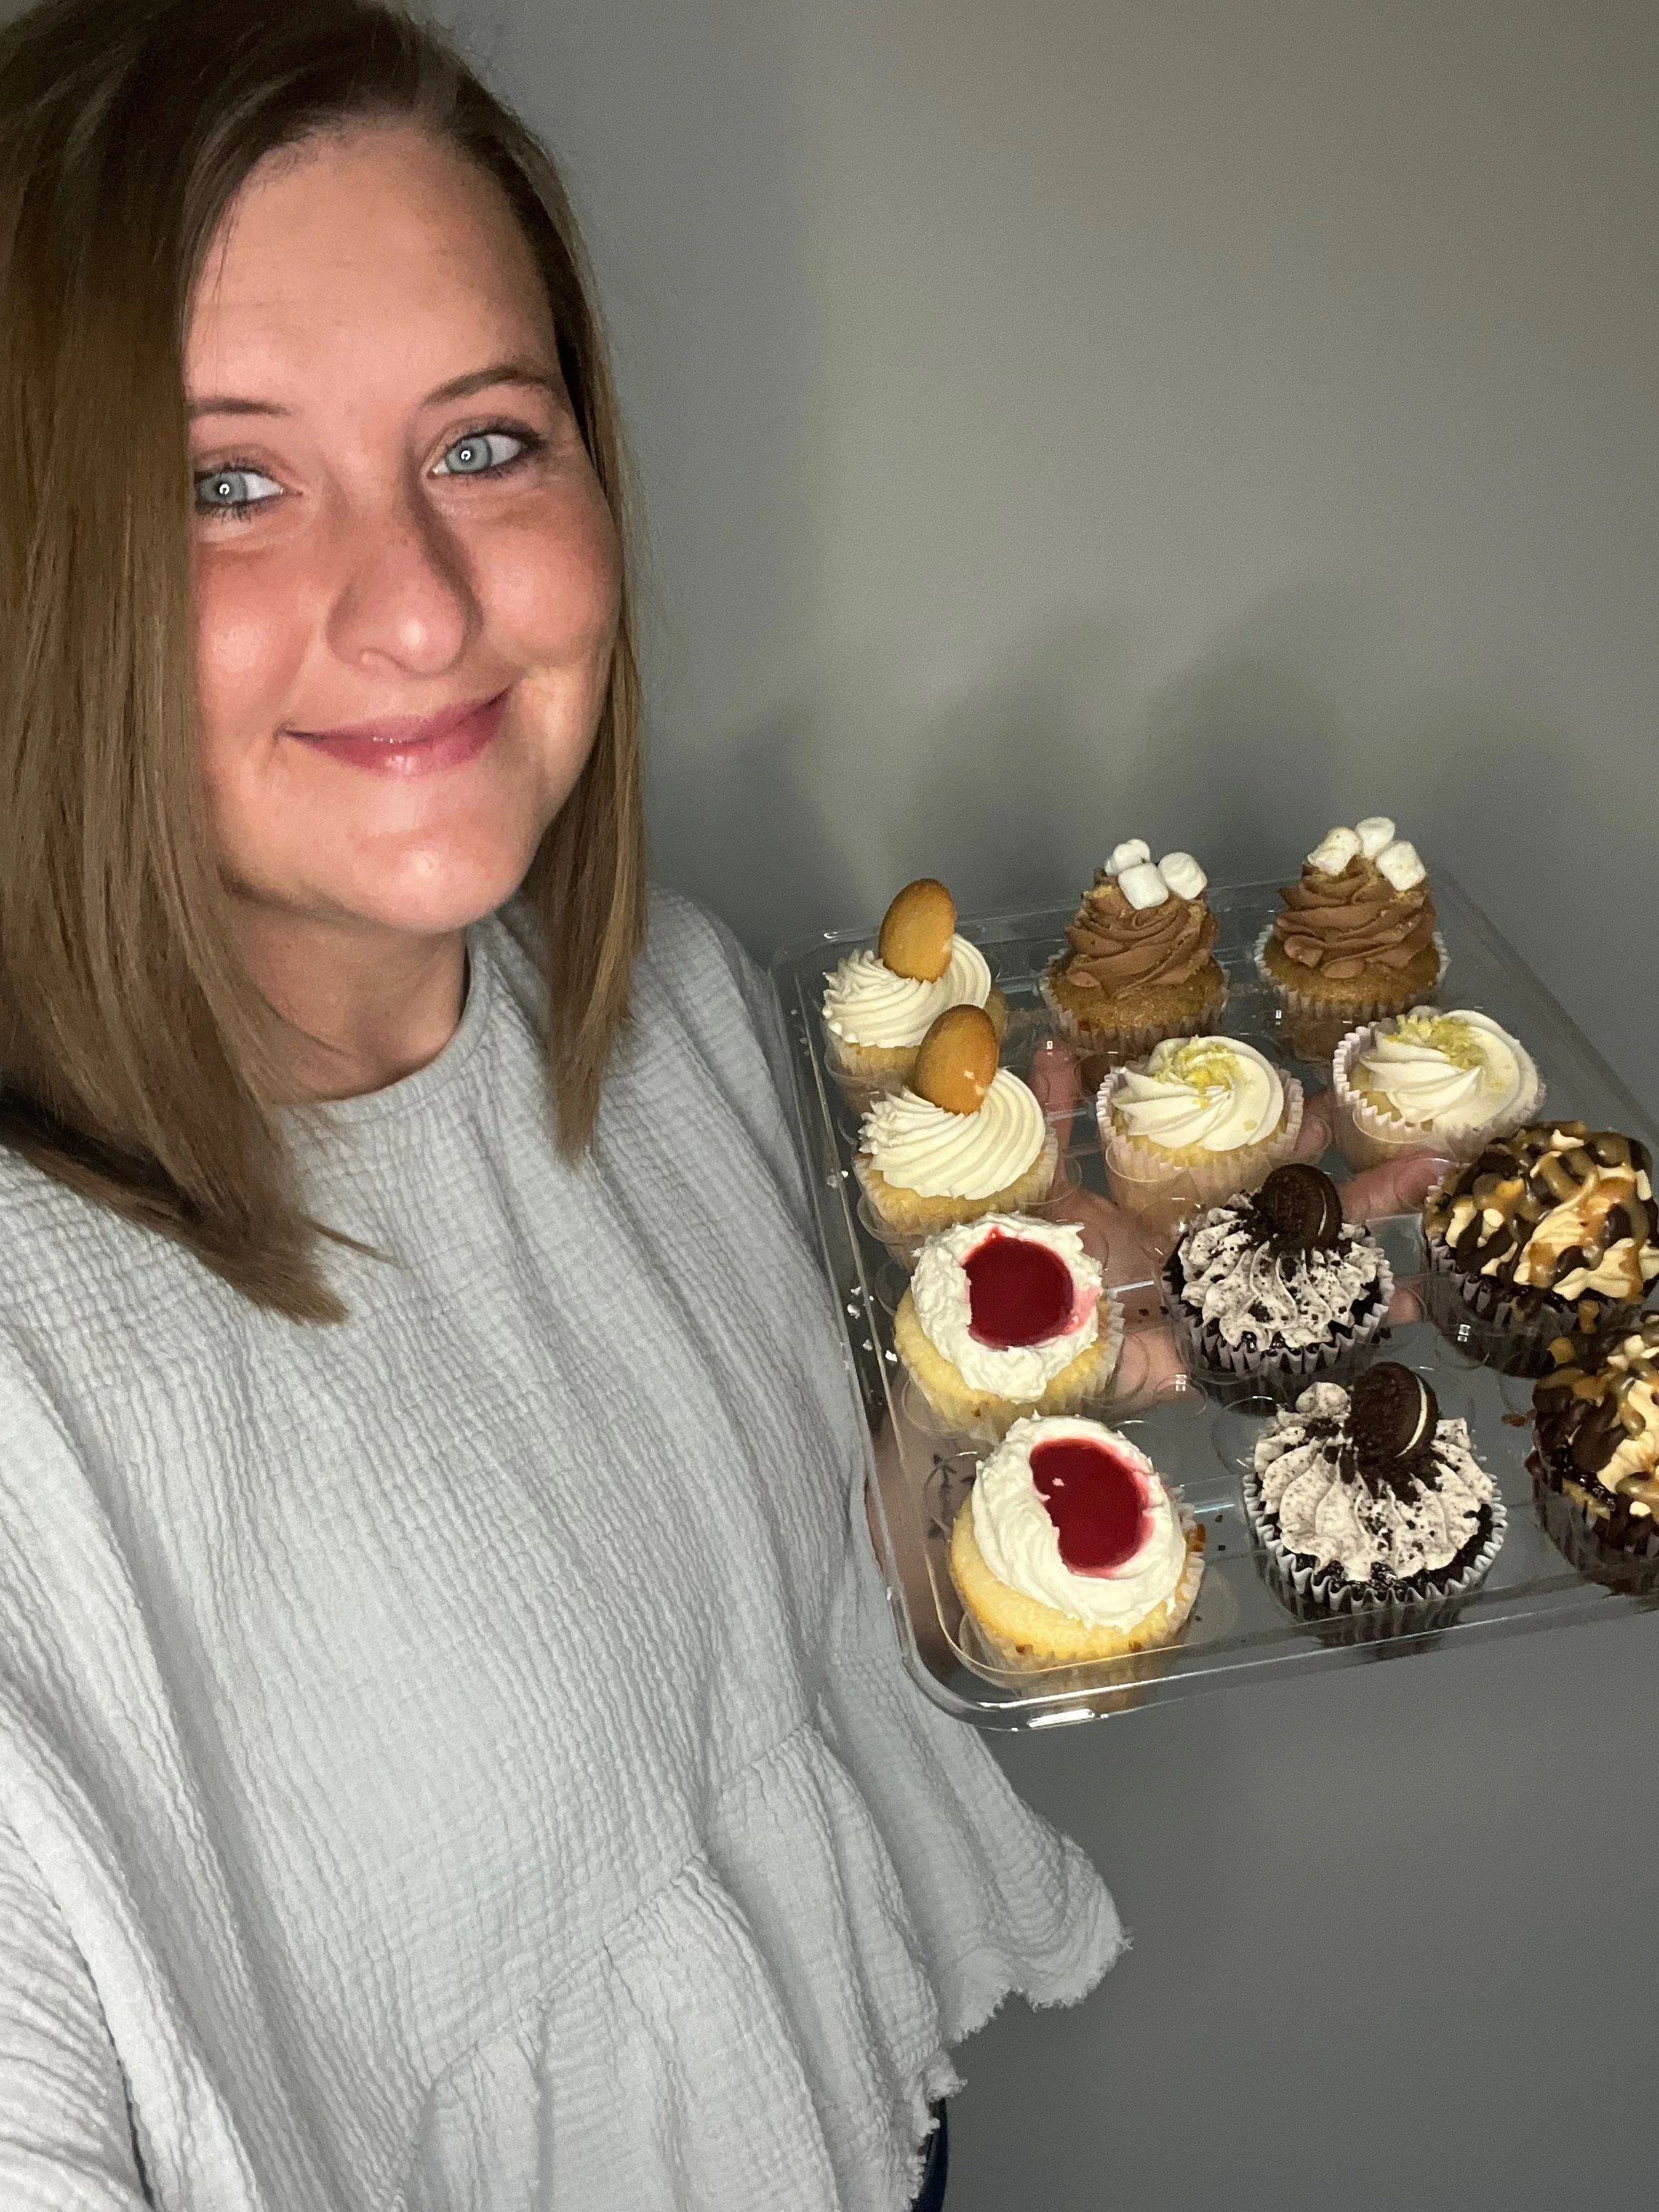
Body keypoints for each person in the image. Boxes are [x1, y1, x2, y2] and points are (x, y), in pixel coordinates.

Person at [0, 5, 1446, 2208]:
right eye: (225, 484)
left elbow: (712, 1642)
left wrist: (999, 1404)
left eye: (486, 442)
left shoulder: (662, 1009)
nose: (417, 605)